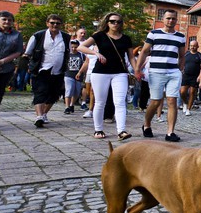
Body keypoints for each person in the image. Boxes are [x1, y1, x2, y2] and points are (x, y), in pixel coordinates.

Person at [78, 12, 136, 140]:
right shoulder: (99, 36)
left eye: (118, 21)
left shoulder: (126, 38)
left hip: (120, 72)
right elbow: (81, 47)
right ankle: (98, 129)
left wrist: (137, 70)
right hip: (100, 72)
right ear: (107, 22)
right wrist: (95, 53)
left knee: (120, 102)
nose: (115, 24)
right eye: (112, 21)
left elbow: (131, 56)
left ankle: (121, 131)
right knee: (100, 102)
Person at [134, 9, 185, 142]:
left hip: (173, 72)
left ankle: (170, 132)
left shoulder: (180, 36)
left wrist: (180, 69)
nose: (171, 21)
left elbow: (182, 55)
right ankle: (146, 124)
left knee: (172, 100)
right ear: (163, 19)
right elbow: (144, 51)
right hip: (156, 72)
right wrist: (137, 69)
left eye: (173, 18)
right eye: (168, 18)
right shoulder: (154, 33)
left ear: (176, 20)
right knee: (156, 101)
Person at [25, 14, 71, 128]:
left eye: (57, 23)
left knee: (54, 94)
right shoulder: (38, 36)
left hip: (58, 71)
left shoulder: (66, 37)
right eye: (52, 23)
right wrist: (30, 67)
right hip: (41, 69)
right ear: (47, 23)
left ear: (61, 25)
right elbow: (28, 52)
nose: (55, 25)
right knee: (40, 92)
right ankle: (39, 116)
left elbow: (68, 53)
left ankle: (44, 114)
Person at [0, 11, 24, 129]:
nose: (7, 22)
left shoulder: (16, 35)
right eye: (4, 19)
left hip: (5, 68)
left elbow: (18, 52)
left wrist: (1, 62)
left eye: (9, 20)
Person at [181, 40, 201, 116]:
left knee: (192, 92)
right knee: (182, 92)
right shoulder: (186, 54)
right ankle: (185, 102)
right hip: (186, 75)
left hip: (195, 77)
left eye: (194, 46)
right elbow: (182, 63)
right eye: (191, 45)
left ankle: (188, 109)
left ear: (197, 46)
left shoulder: (200, 56)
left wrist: (200, 76)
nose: (192, 47)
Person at [63, 40, 85, 114]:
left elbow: (84, 65)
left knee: (77, 92)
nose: (73, 49)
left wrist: (81, 73)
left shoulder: (81, 55)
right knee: (69, 90)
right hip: (68, 75)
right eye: (72, 47)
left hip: (78, 76)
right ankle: (67, 107)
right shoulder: (67, 55)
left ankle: (72, 105)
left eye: (75, 47)